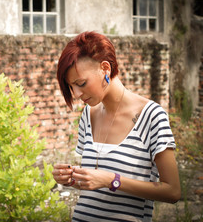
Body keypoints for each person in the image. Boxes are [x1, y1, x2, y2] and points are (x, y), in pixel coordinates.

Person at [52, 31, 181, 222]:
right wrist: (73, 178)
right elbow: (97, 184)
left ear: (105, 68)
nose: (77, 94)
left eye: (81, 83)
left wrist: (111, 180)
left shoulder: (151, 116)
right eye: (72, 87)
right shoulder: (88, 115)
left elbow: (172, 191)